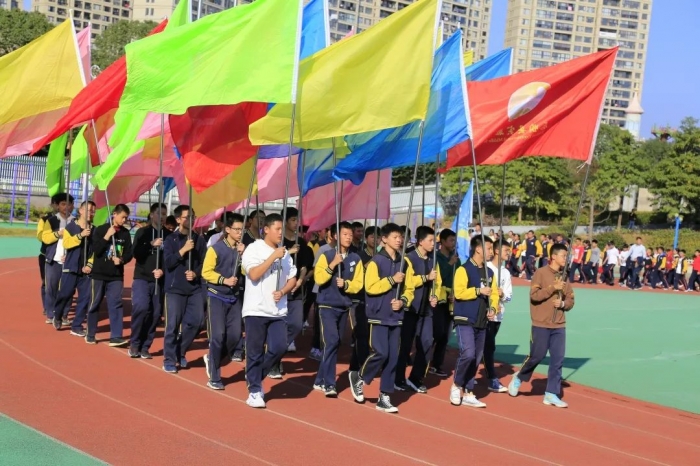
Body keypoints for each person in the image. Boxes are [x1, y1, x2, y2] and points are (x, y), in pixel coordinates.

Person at [349, 223, 415, 414]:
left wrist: (402, 301)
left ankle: (384, 395)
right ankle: (359, 377)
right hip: (377, 314)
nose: (399, 240)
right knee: (381, 352)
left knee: (393, 357)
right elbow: (370, 287)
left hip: (396, 315)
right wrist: (392, 280)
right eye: (395, 237)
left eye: (400, 237)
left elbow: (409, 289)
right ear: (384, 239)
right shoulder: (375, 262)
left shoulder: (405, 262)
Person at [508, 242, 575, 408]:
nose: (565, 259)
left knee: (558, 359)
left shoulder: (564, 275)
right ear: (553, 256)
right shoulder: (540, 273)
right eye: (563, 256)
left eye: (566, 256)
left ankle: (551, 393)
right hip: (540, 323)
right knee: (537, 355)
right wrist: (553, 288)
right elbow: (535, 296)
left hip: (559, 324)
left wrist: (563, 304)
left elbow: (571, 299)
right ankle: (519, 377)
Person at [241, 213, 297, 408]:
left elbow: (292, 278)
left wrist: (283, 291)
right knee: (254, 352)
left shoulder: (286, 254)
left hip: (277, 311)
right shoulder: (253, 249)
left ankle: (253, 376)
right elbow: (254, 274)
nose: (281, 233)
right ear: (266, 229)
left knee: (279, 347)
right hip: (256, 309)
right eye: (278, 229)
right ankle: (255, 390)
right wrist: (273, 256)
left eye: (282, 229)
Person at [313, 221, 364, 396]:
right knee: (332, 342)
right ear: (335, 236)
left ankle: (319, 379)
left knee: (334, 344)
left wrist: (346, 284)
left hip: (344, 306)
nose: (349, 237)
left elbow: (358, 284)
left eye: (350, 235)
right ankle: (330, 383)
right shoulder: (326, 255)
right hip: (327, 305)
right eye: (345, 234)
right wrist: (332, 265)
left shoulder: (356, 259)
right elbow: (319, 278)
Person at [450, 235, 499, 408]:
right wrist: (478, 290)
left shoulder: (490, 272)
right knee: (468, 353)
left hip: (481, 320)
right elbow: (459, 292)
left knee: (477, 357)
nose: (492, 252)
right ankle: (456, 385)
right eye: (489, 248)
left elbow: (493, 293)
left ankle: (469, 391)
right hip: (464, 317)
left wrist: (493, 308)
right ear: (478, 249)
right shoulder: (463, 269)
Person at [202, 213, 246, 390]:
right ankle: (214, 376)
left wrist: (243, 256)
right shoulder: (216, 249)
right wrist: (223, 280)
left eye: (241, 229)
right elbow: (206, 272)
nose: (240, 232)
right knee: (217, 336)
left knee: (235, 336)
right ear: (227, 230)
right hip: (216, 296)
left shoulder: (242, 249)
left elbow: (247, 271)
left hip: (234, 298)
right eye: (236, 229)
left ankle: (212, 359)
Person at [395, 226, 440, 394]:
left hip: (426, 310)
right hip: (410, 308)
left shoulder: (432, 260)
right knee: (405, 346)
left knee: (427, 342)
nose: (433, 244)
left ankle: (415, 377)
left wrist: (435, 295)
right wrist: (425, 278)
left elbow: (438, 283)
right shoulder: (408, 258)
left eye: (433, 241)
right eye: (430, 240)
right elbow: (407, 282)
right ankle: (397, 378)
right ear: (420, 241)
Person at [162, 205, 207, 373]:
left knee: (197, 322)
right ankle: (169, 358)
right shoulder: (170, 240)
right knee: (172, 325)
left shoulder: (199, 239)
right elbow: (168, 262)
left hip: (194, 288)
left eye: (193, 216)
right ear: (179, 219)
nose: (191, 219)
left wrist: (195, 273)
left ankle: (180, 350)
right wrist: (183, 250)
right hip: (175, 289)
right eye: (188, 216)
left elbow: (204, 262)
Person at [268, 207, 313, 377]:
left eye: (297, 220)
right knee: (278, 326)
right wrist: (288, 252)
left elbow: (304, 266)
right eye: (293, 220)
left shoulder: (301, 242)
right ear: (285, 221)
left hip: (296, 291)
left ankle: (275, 353)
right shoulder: (276, 243)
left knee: (295, 324)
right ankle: (274, 360)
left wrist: (300, 280)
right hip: (278, 290)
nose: (296, 223)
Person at [85, 204, 133, 346]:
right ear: (114, 214)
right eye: (123, 217)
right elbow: (96, 250)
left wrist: (122, 259)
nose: (124, 220)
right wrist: (107, 236)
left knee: (116, 304)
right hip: (99, 274)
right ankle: (91, 333)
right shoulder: (101, 230)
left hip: (116, 276)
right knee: (94, 303)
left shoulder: (125, 234)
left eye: (126, 218)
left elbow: (129, 253)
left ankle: (116, 336)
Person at [130, 203, 169, 359]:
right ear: (152, 215)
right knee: (141, 307)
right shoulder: (143, 232)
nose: (163, 217)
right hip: (142, 277)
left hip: (159, 280)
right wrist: (150, 244)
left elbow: (171, 259)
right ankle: (135, 342)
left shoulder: (169, 235)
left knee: (155, 314)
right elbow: (136, 253)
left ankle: (145, 345)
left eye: (165, 214)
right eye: (160, 213)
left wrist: (163, 270)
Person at [52, 200, 95, 336]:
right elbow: (67, 244)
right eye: (88, 210)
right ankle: (58, 315)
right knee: (65, 294)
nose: (91, 213)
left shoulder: (94, 230)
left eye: (93, 211)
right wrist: (80, 236)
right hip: (70, 267)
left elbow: (94, 250)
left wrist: (89, 264)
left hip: (85, 271)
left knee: (85, 298)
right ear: (81, 211)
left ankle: (77, 325)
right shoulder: (71, 227)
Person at [40, 193, 75, 325]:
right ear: (58, 206)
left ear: (73, 206)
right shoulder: (51, 221)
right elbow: (46, 238)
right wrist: (58, 233)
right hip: (53, 259)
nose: (66, 207)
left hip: (69, 260)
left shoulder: (76, 221)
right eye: (63, 204)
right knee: (51, 288)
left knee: (68, 289)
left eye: (69, 204)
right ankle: (50, 313)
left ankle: (64, 314)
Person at [484, 240, 513, 393]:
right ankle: (491, 378)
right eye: (506, 250)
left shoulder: (506, 272)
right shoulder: (486, 268)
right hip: (486, 314)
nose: (508, 253)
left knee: (486, 346)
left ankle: (469, 376)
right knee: (488, 346)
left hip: (498, 315)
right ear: (496, 251)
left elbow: (509, 296)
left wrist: (503, 295)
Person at [431, 228, 459, 377]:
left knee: (445, 335)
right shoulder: (437, 258)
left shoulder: (456, 258)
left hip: (452, 299)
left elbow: (459, 278)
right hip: (439, 299)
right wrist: (450, 264)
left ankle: (437, 364)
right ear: (442, 241)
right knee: (437, 332)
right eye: (451, 240)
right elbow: (439, 276)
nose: (453, 243)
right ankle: (426, 359)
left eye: (454, 240)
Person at [37, 196, 59, 317]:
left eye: (68, 204)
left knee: (61, 284)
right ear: (53, 205)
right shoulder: (45, 220)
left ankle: (58, 307)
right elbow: (41, 237)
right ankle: (47, 306)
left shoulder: (71, 220)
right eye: (60, 204)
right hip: (46, 256)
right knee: (47, 283)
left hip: (62, 257)